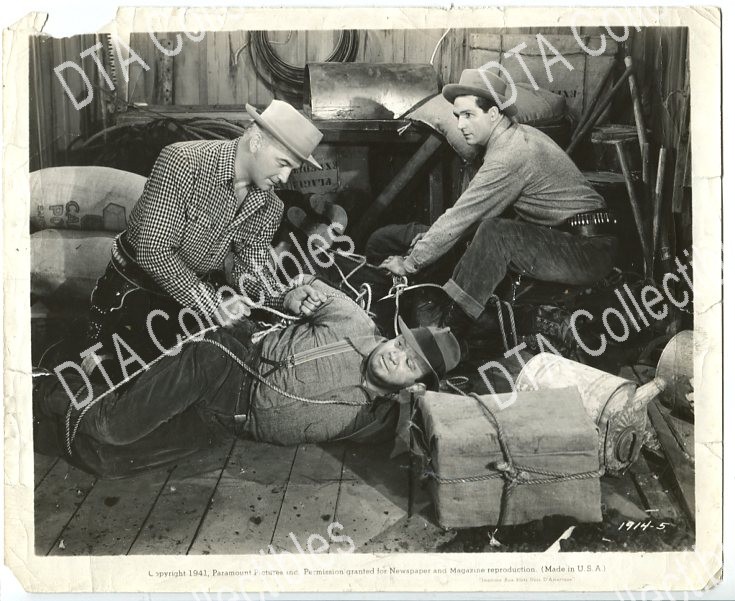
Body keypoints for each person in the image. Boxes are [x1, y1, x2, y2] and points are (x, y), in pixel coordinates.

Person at [35, 277, 461, 476]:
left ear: (415, 385)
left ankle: (68, 397)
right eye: (401, 344)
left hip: (225, 423)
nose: (394, 357)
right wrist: (292, 293)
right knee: (113, 428)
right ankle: (40, 389)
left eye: (409, 364)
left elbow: (434, 436)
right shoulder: (353, 321)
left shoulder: (377, 419)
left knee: (107, 460)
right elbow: (300, 282)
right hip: (225, 364)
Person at [83, 100, 325, 376]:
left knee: (203, 377)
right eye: (283, 164)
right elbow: (153, 250)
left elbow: (248, 270)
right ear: (256, 141)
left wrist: (284, 297)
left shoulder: (270, 206)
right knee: (121, 379)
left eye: (293, 169)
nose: (284, 177)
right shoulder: (183, 162)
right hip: (133, 293)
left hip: (188, 301)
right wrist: (213, 304)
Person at [378, 69, 619, 336]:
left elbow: (462, 217)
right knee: (481, 232)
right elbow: (468, 215)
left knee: (495, 233)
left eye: (469, 115)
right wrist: (429, 243)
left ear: (493, 114)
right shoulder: (515, 137)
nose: (460, 125)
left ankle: (448, 333)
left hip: (588, 251)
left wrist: (410, 264)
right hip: (572, 238)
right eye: (457, 116)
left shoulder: (509, 156)